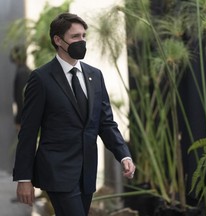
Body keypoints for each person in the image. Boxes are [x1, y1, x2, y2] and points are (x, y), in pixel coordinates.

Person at [13, 12, 136, 216]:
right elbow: (28, 131)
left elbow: (105, 123)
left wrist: (123, 154)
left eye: (83, 36)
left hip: (87, 172)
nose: (82, 41)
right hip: (57, 171)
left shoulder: (95, 76)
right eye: (75, 37)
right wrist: (24, 179)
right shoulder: (41, 79)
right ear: (58, 40)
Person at [10, 45, 30, 131]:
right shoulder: (26, 71)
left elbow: (21, 98)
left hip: (25, 118)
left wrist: (19, 119)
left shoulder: (22, 73)